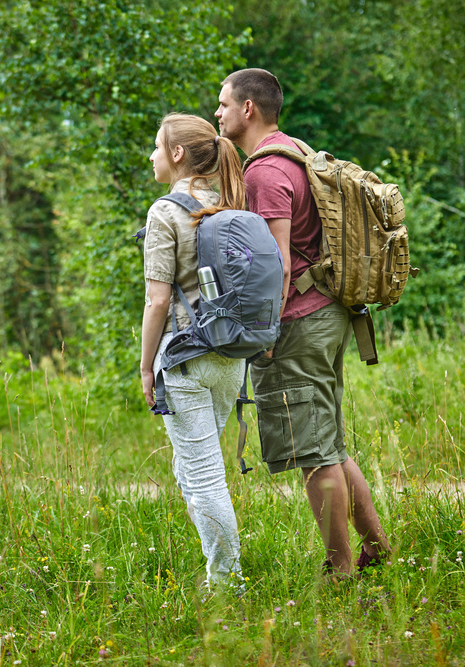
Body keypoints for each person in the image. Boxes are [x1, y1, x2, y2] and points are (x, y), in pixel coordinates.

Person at [215, 68, 391, 577]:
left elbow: (277, 265)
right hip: (328, 314)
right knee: (329, 444)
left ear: (249, 109)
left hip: (297, 322)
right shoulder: (296, 151)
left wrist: (263, 334)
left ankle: (340, 569)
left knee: (314, 454)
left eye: (224, 105)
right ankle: (375, 548)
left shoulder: (263, 172)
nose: (218, 114)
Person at [140, 113, 248, 591]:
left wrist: (146, 367)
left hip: (183, 357)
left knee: (204, 477)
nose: (152, 155)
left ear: (178, 154)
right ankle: (221, 572)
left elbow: (157, 300)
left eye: (158, 146)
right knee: (192, 469)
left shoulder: (165, 212)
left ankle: (227, 584)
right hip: (232, 355)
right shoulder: (231, 204)